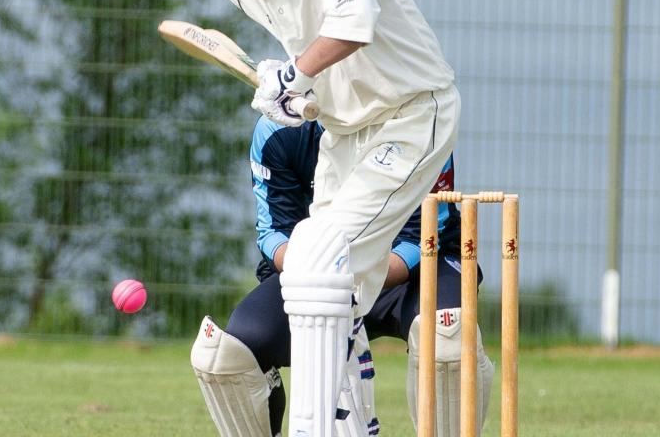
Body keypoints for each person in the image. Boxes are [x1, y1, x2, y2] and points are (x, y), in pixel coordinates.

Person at [183, 0, 461, 437]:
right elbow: (309, 57)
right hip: (343, 131)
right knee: (335, 292)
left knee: (318, 259)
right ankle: (354, 428)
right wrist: (296, 99)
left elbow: (353, 26)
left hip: (412, 113)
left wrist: (296, 74)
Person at [191, 117, 495, 437]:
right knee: (224, 359)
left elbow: (421, 237)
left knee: (446, 340)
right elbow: (274, 233)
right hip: (311, 277)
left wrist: (345, 277)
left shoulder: (418, 118)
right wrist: (320, 277)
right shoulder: (278, 129)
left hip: (413, 271)